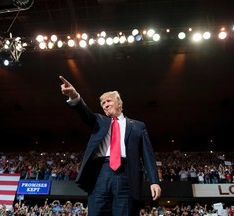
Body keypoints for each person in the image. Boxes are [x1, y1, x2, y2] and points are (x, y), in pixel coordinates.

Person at [59, 76, 161, 216]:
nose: (105, 104)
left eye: (108, 101)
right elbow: (85, 113)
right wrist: (74, 95)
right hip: (100, 173)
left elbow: (147, 156)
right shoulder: (99, 121)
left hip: (127, 175)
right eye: (102, 103)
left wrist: (154, 181)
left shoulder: (138, 126)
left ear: (119, 103)